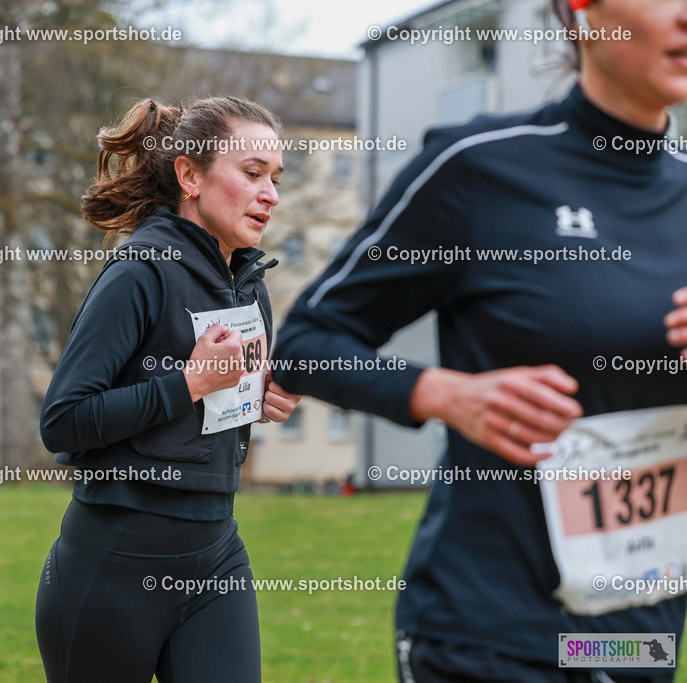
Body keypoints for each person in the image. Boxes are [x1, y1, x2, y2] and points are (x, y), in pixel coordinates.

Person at [272, 1, 687, 681]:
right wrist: (440, 392)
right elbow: (306, 340)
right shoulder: (481, 168)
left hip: (639, 639)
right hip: (487, 636)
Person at [35, 96, 301, 682]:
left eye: (276, 179)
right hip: (115, 562)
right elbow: (63, 419)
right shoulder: (140, 271)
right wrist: (189, 382)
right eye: (253, 173)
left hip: (215, 553)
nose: (271, 194)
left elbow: (202, 410)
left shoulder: (248, 284)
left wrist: (252, 398)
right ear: (189, 176)